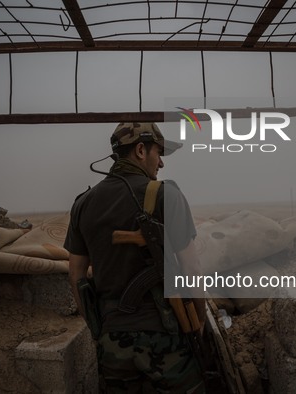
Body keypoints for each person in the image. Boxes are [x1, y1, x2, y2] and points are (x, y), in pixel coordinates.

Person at [64, 122, 206, 393]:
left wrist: (97, 329)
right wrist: (197, 325)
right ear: (141, 150)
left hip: (113, 342)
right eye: (158, 153)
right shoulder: (167, 194)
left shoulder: (83, 203)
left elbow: (76, 276)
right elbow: (191, 267)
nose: (161, 163)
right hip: (166, 338)